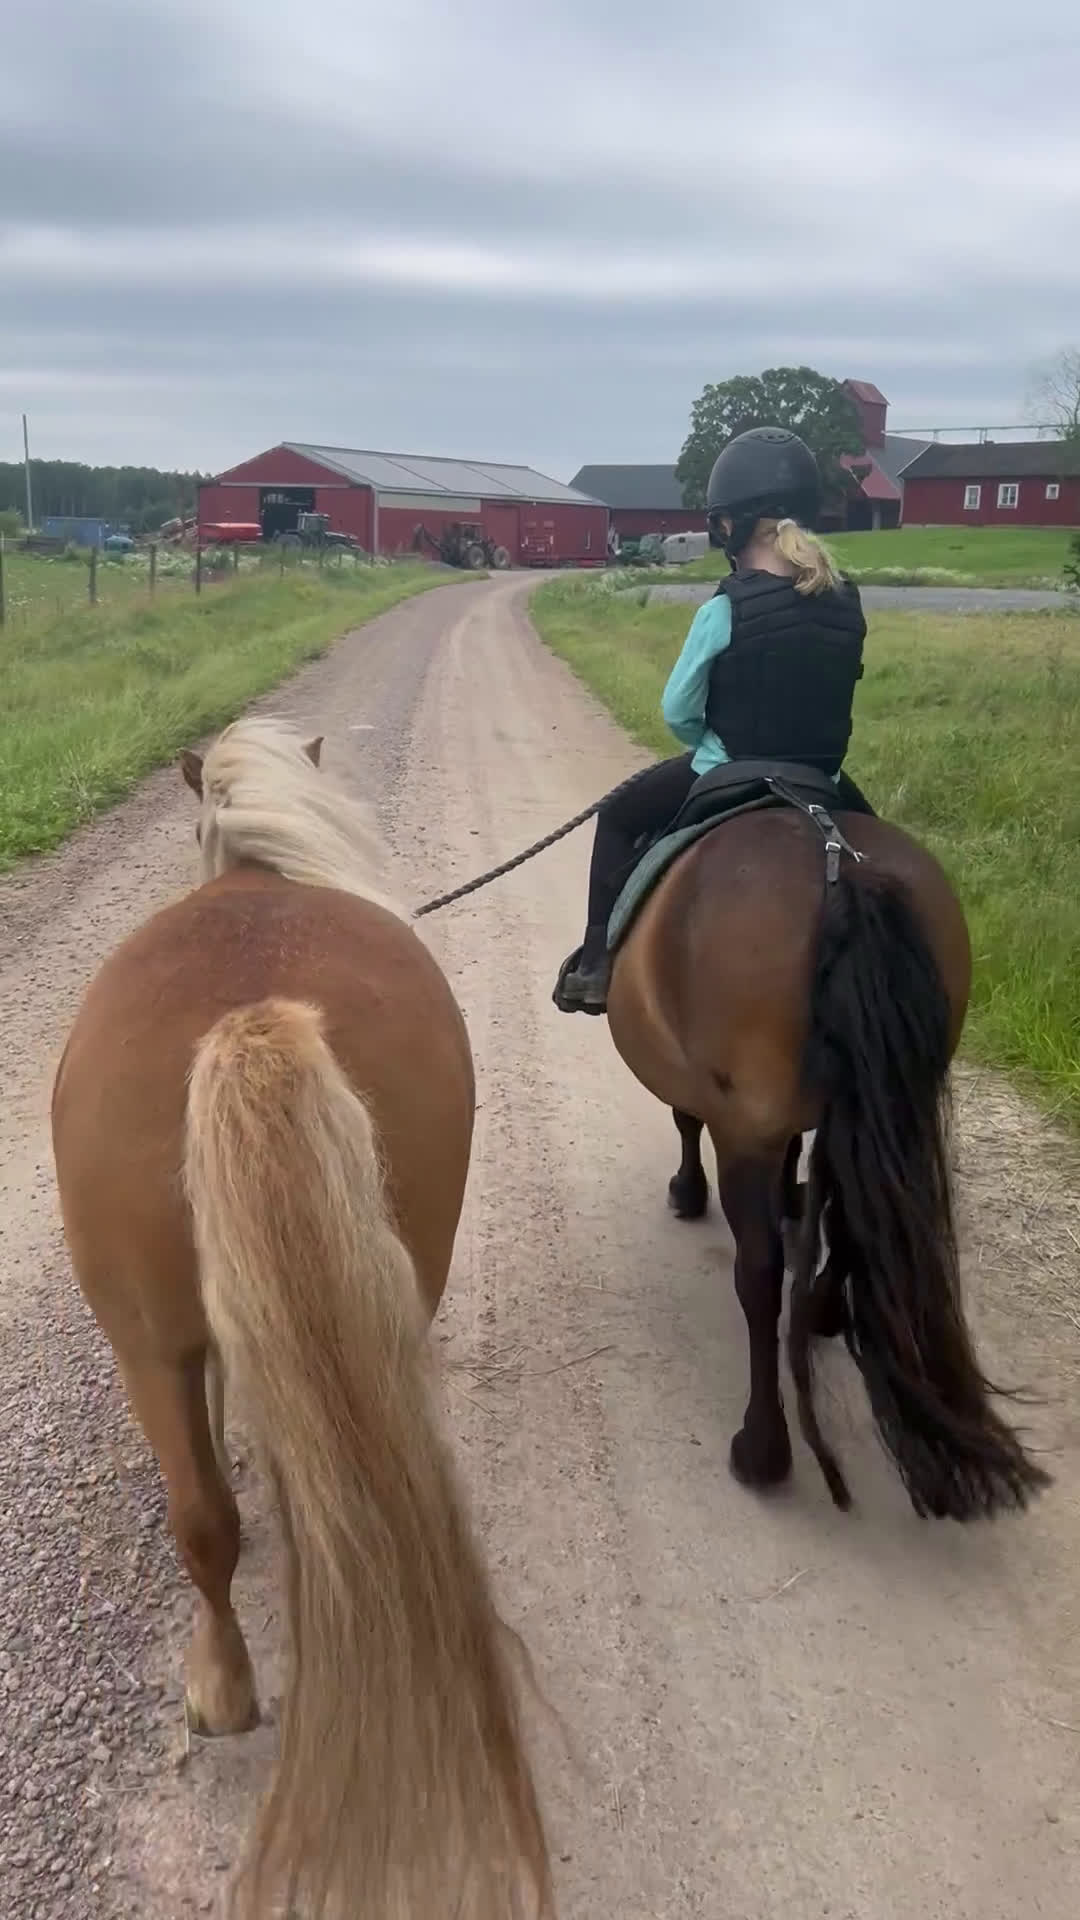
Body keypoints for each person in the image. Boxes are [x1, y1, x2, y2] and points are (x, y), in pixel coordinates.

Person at [554, 426, 871, 1015]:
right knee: (877, 862)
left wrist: (710, 746)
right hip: (821, 780)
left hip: (729, 772)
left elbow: (678, 710)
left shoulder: (725, 607)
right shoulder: (845, 601)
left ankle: (595, 966)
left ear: (730, 525)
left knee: (618, 818)